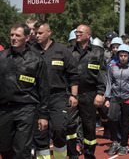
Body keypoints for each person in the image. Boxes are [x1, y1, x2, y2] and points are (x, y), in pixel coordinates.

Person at [0, 23, 49, 159]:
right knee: (4, 148)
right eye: (11, 35)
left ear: (27, 38)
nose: (13, 38)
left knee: (22, 150)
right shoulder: (1, 57)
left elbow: (43, 89)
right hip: (4, 110)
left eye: (17, 35)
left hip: (26, 109)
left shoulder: (36, 60)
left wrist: (43, 115)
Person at [31, 21, 79, 159]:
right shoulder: (31, 51)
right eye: (35, 33)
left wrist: (74, 95)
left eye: (40, 33)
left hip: (58, 96)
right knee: (40, 134)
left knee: (59, 129)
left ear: (49, 32)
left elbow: (73, 75)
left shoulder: (62, 50)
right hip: (37, 97)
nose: (37, 36)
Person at [70, 24, 107, 159]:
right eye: (76, 32)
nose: (77, 34)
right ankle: (73, 153)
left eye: (80, 32)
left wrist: (100, 93)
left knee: (89, 126)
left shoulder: (98, 52)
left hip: (90, 94)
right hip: (72, 95)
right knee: (70, 125)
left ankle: (89, 153)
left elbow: (102, 73)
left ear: (88, 35)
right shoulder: (70, 52)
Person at [104, 44, 129, 156]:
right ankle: (115, 142)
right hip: (115, 97)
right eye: (121, 55)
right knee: (111, 118)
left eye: (125, 55)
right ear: (118, 56)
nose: (123, 57)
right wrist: (107, 98)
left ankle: (124, 145)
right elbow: (109, 83)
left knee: (125, 123)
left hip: (128, 98)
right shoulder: (112, 67)